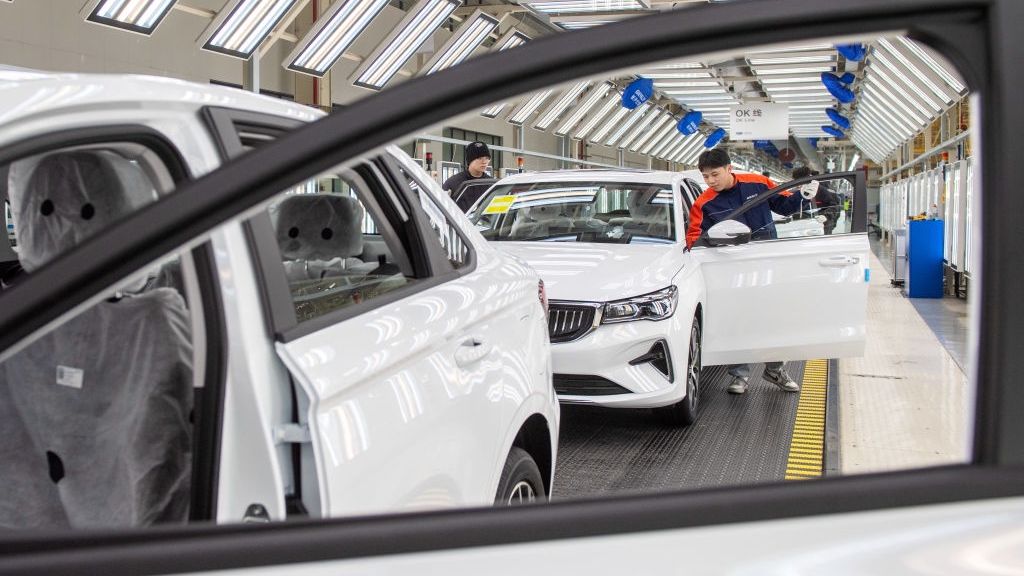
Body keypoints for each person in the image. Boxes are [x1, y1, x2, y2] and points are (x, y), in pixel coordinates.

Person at [686, 149, 812, 395]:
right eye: (706, 176)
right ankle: (739, 375)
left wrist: (802, 197)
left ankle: (775, 369)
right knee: (737, 319)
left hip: (767, 262)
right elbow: (694, 239)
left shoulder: (759, 183)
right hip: (731, 268)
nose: (711, 181)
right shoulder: (704, 203)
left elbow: (785, 207)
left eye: (715, 174)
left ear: (729, 168)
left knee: (772, 317)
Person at [793, 166, 840, 235]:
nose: (798, 186)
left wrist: (826, 216)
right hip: (807, 224)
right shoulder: (801, 190)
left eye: (800, 183)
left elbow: (835, 206)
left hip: (824, 224)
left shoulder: (822, 190)